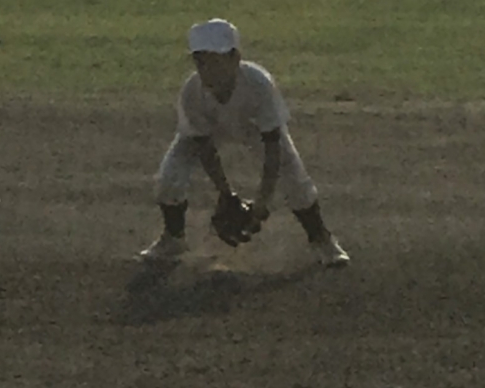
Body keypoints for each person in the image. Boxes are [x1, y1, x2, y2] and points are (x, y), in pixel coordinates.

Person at [139, 17, 350, 275]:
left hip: (255, 129)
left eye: (215, 60)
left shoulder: (259, 84)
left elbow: (273, 146)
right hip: (209, 130)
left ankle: (322, 240)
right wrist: (226, 195)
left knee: (294, 176)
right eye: (200, 61)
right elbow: (204, 147)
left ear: (235, 58)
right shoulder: (192, 92)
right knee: (169, 175)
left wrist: (262, 202)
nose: (207, 69)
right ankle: (173, 239)